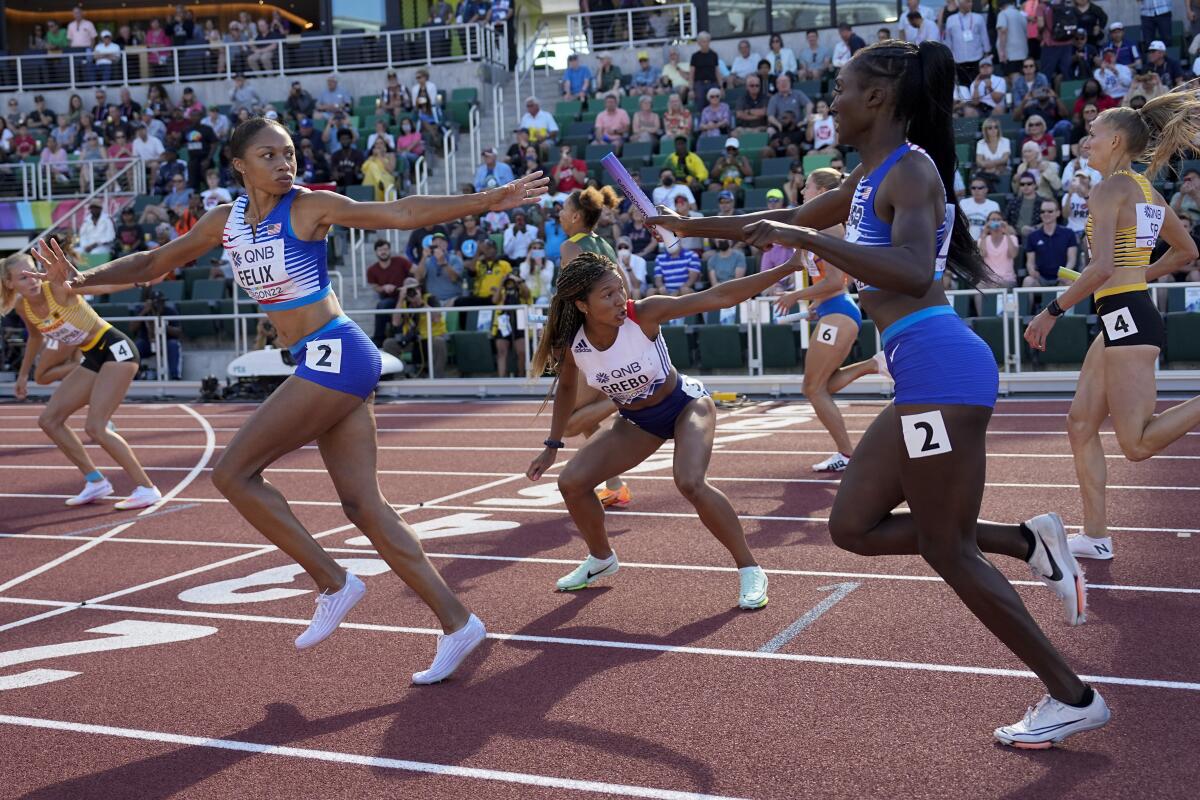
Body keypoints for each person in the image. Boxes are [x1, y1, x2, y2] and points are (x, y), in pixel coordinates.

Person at [650, 39, 1107, 748]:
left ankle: (1072, 694)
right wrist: (683, 226)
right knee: (852, 527)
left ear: (878, 99)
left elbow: (912, 267)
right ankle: (1028, 540)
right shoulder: (866, 179)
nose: (829, 102)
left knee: (947, 549)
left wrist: (811, 240)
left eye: (839, 89)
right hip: (920, 373)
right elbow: (768, 226)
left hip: (941, 371)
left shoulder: (912, 170)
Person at [32, 116, 550, 682]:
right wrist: (80, 281)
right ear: (239, 165)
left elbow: (401, 212)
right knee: (362, 505)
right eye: (269, 155)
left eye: (289, 153)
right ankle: (458, 622)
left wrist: (490, 198)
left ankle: (333, 580)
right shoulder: (223, 222)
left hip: (339, 351)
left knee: (233, 474)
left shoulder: (306, 208)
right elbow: (155, 263)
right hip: (317, 358)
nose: (285, 164)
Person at [525, 241, 801, 607]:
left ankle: (750, 569)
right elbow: (565, 390)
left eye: (619, 288)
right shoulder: (576, 344)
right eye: (607, 294)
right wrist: (552, 445)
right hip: (638, 421)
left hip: (686, 405)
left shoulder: (643, 314)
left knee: (690, 482)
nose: (619, 299)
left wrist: (788, 266)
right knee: (572, 483)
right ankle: (601, 559)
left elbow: (719, 296)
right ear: (582, 305)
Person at [1023, 90, 1200, 562]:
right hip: (1122, 315)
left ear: (1117, 139)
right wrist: (1135, 273)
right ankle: (1096, 536)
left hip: (1126, 317)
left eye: (1093, 133)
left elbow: (1101, 267)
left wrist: (1051, 310)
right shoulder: (1146, 191)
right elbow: (1185, 253)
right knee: (1080, 424)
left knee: (1137, 444)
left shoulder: (1109, 189)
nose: (1086, 140)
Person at [3, 253, 161, 510]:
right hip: (93, 357)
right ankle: (95, 481)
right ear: (10, 284)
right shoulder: (24, 306)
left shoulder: (55, 288)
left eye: (34, 272)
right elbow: (35, 338)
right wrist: (23, 375)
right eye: (23, 277)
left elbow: (99, 286)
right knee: (50, 421)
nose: (32, 280)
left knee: (96, 427)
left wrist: (140, 281)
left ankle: (147, 488)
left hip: (115, 348)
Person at [770, 169, 883, 471]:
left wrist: (797, 296)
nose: (803, 192)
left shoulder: (830, 229)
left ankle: (847, 455)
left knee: (812, 388)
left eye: (807, 187)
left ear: (821, 192)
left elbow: (837, 282)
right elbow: (814, 273)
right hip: (831, 311)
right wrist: (812, 305)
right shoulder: (818, 227)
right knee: (821, 386)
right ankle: (873, 364)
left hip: (839, 311)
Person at [556, 186, 633, 507]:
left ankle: (622, 399)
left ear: (575, 216)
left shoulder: (570, 247)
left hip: (588, 338)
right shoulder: (602, 243)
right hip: (611, 333)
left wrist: (564, 338)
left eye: (562, 209)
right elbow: (625, 286)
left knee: (572, 418)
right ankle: (614, 483)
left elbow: (571, 296)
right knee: (584, 420)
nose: (559, 214)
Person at [129, 289, 182, 380]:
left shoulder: (170, 311)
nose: (160, 305)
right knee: (134, 347)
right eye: (157, 302)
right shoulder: (142, 311)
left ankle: (175, 376)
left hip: (166, 342)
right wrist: (144, 312)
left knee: (174, 345)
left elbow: (178, 331)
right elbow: (132, 328)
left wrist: (163, 325)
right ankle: (134, 376)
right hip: (147, 343)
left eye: (162, 302)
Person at [366, 239, 412, 345]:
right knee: (383, 304)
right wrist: (384, 288)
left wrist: (408, 284)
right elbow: (375, 287)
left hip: (405, 296)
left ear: (390, 250)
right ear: (376, 252)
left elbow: (415, 271)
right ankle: (381, 337)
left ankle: (380, 338)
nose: (383, 252)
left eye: (386, 249)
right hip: (388, 298)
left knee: (382, 305)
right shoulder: (372, 270)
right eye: (380, 250)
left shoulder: (400, 261)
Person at [1024, 198, 1079, 285]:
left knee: (1072, 282)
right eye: (1043, 211)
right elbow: (1030, 261)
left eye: (1050, 211)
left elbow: (1071, 259)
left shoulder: (1069, 234)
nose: (1046, 214)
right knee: (1028, 281)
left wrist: (1065, 274)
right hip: (1040, 278)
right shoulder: (1032, 236)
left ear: (1058, 213)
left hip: (1062, 277)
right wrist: (1032, 271)